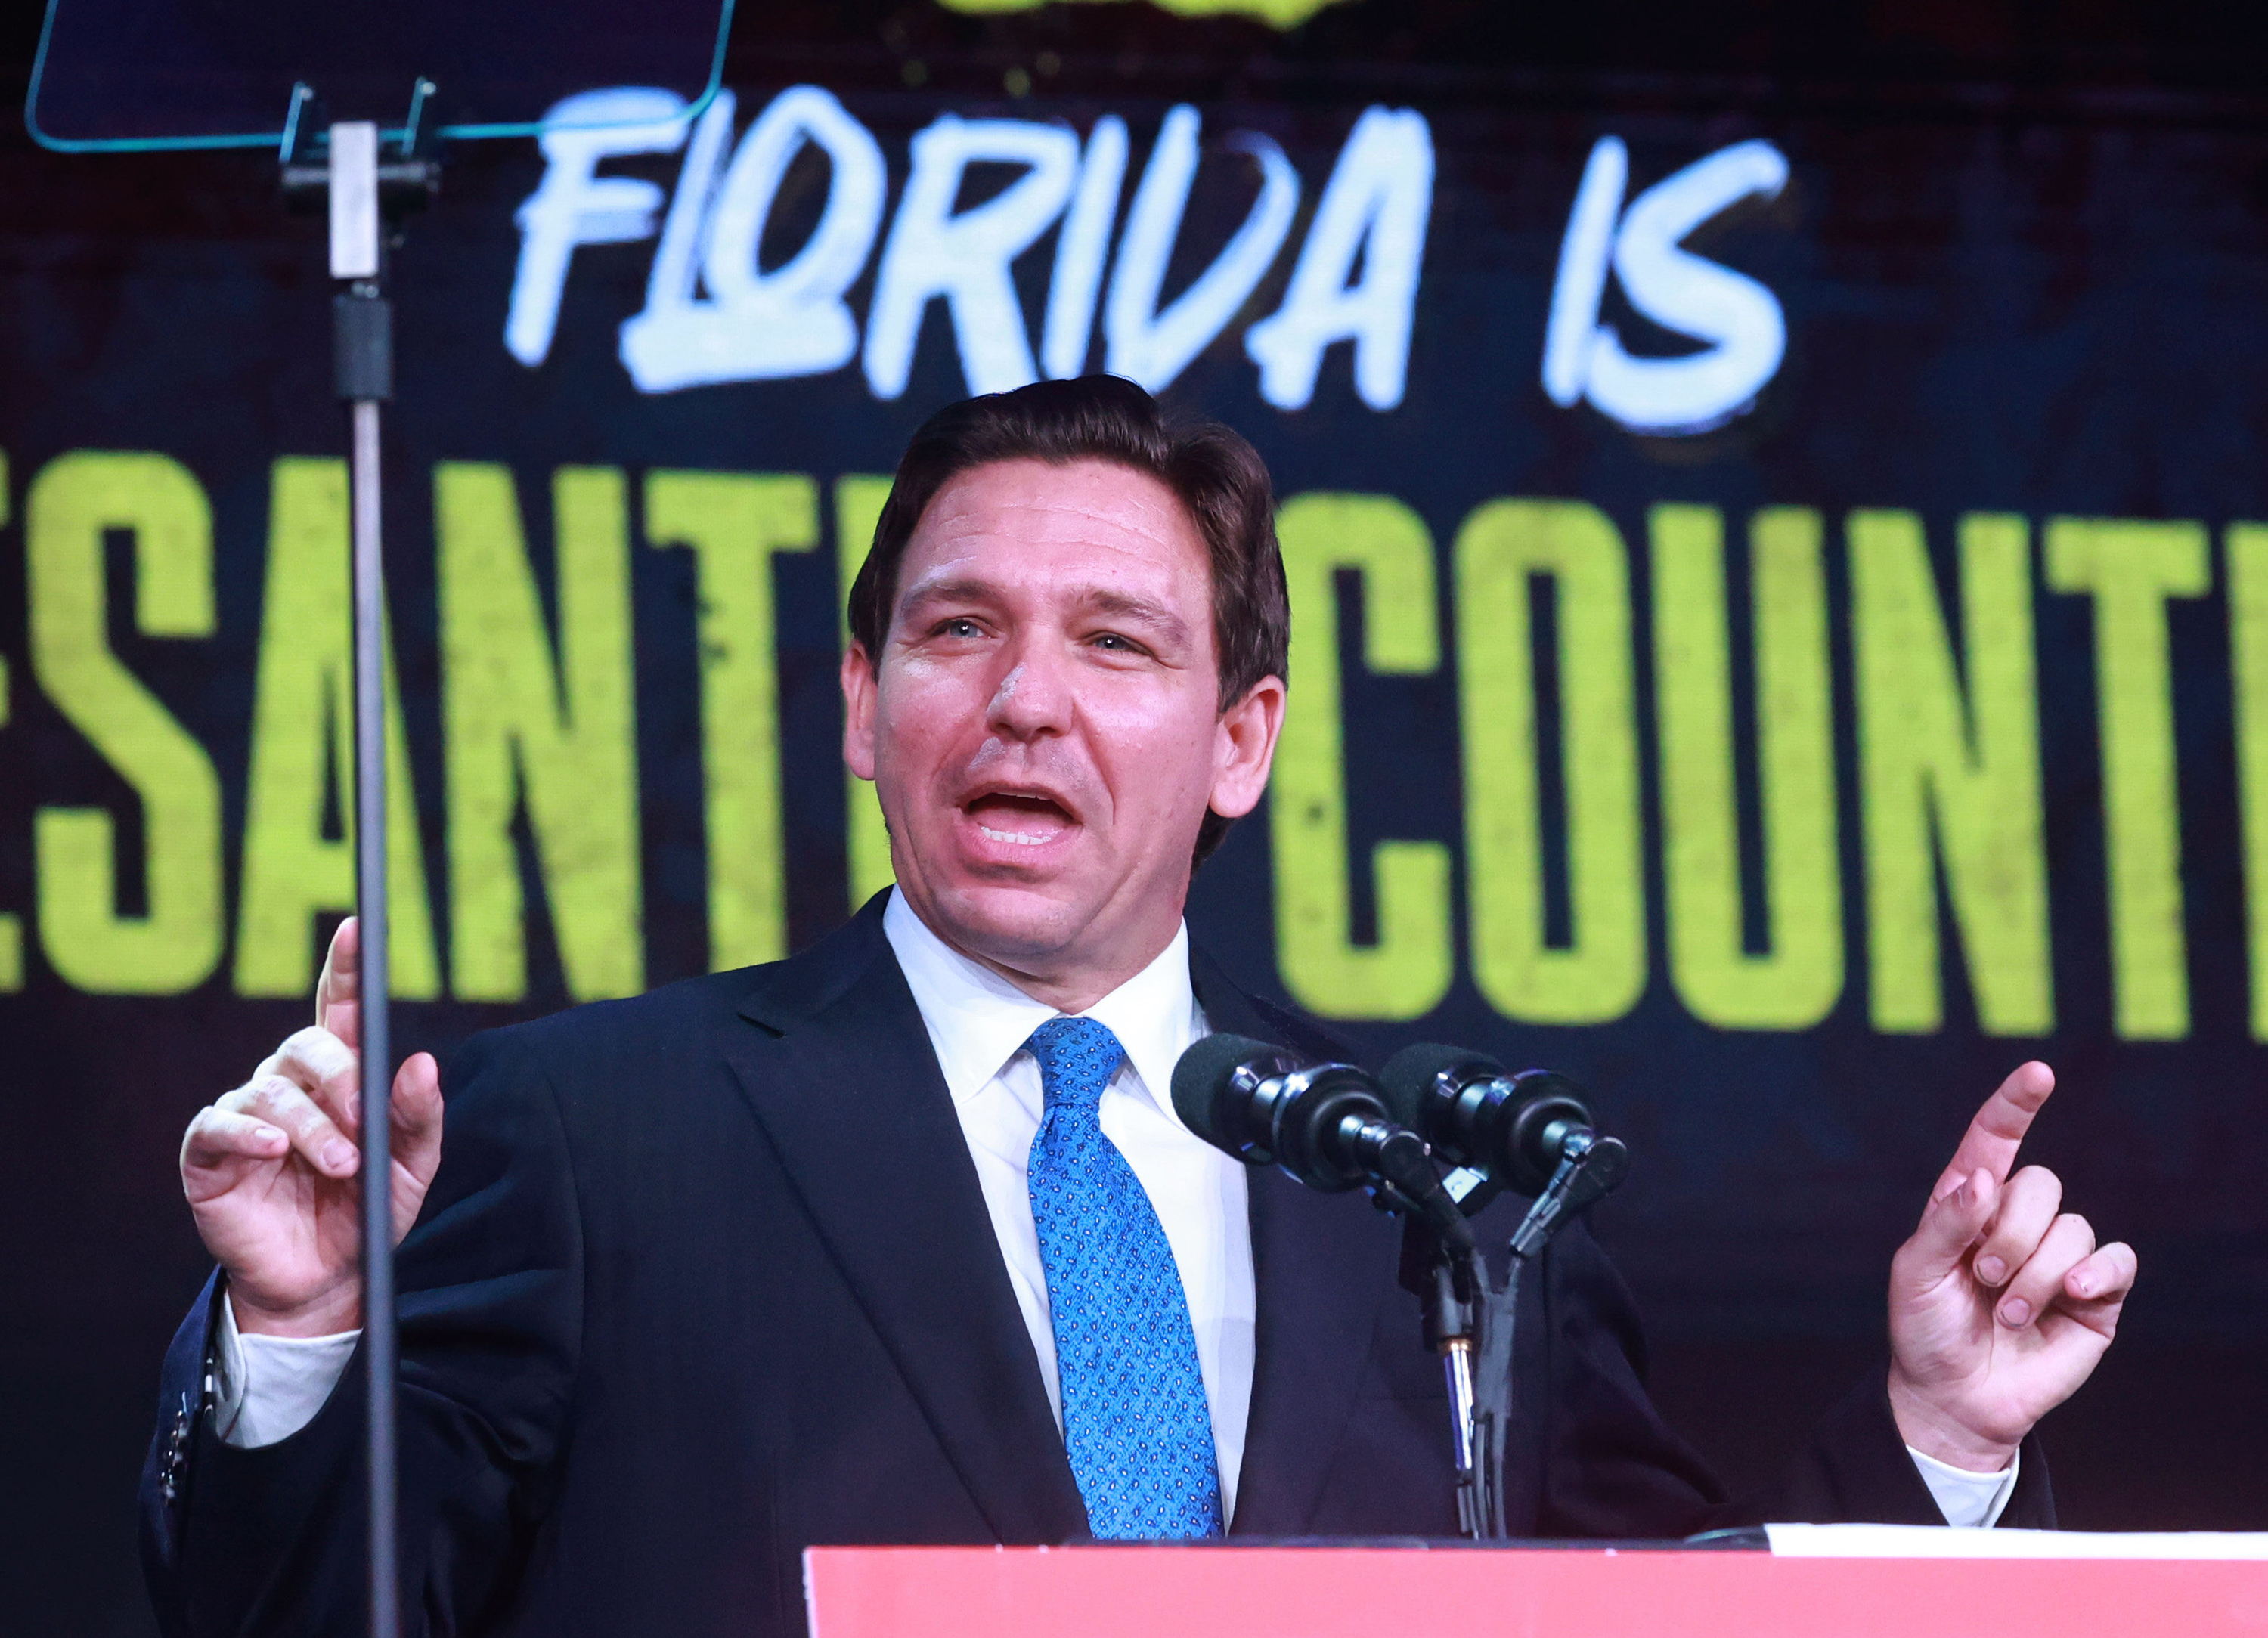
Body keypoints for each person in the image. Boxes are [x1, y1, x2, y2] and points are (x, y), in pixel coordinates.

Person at [144, 376, 2137, 1636]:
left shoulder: (1437, 1197)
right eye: (955, 631)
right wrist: (308, 1340)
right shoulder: (586, 1133)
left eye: (1116, 641)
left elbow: (1657, 1616)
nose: (1025, 700)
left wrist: (1940, 1430)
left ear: (1242, 740)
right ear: (860, 705)